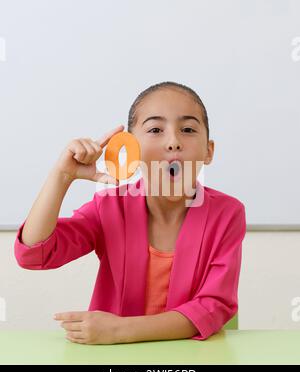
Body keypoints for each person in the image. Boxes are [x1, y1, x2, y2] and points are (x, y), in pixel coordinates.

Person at [14, 81, 246, 345]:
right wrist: (62, 175)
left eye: (188, 129)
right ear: (130, 150)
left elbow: (213, 307)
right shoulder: (109, 206)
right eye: (156, 129)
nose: (173, 142)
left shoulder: (227, 213)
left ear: (208, 151)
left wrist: (119, 330)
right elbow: (34, 254)